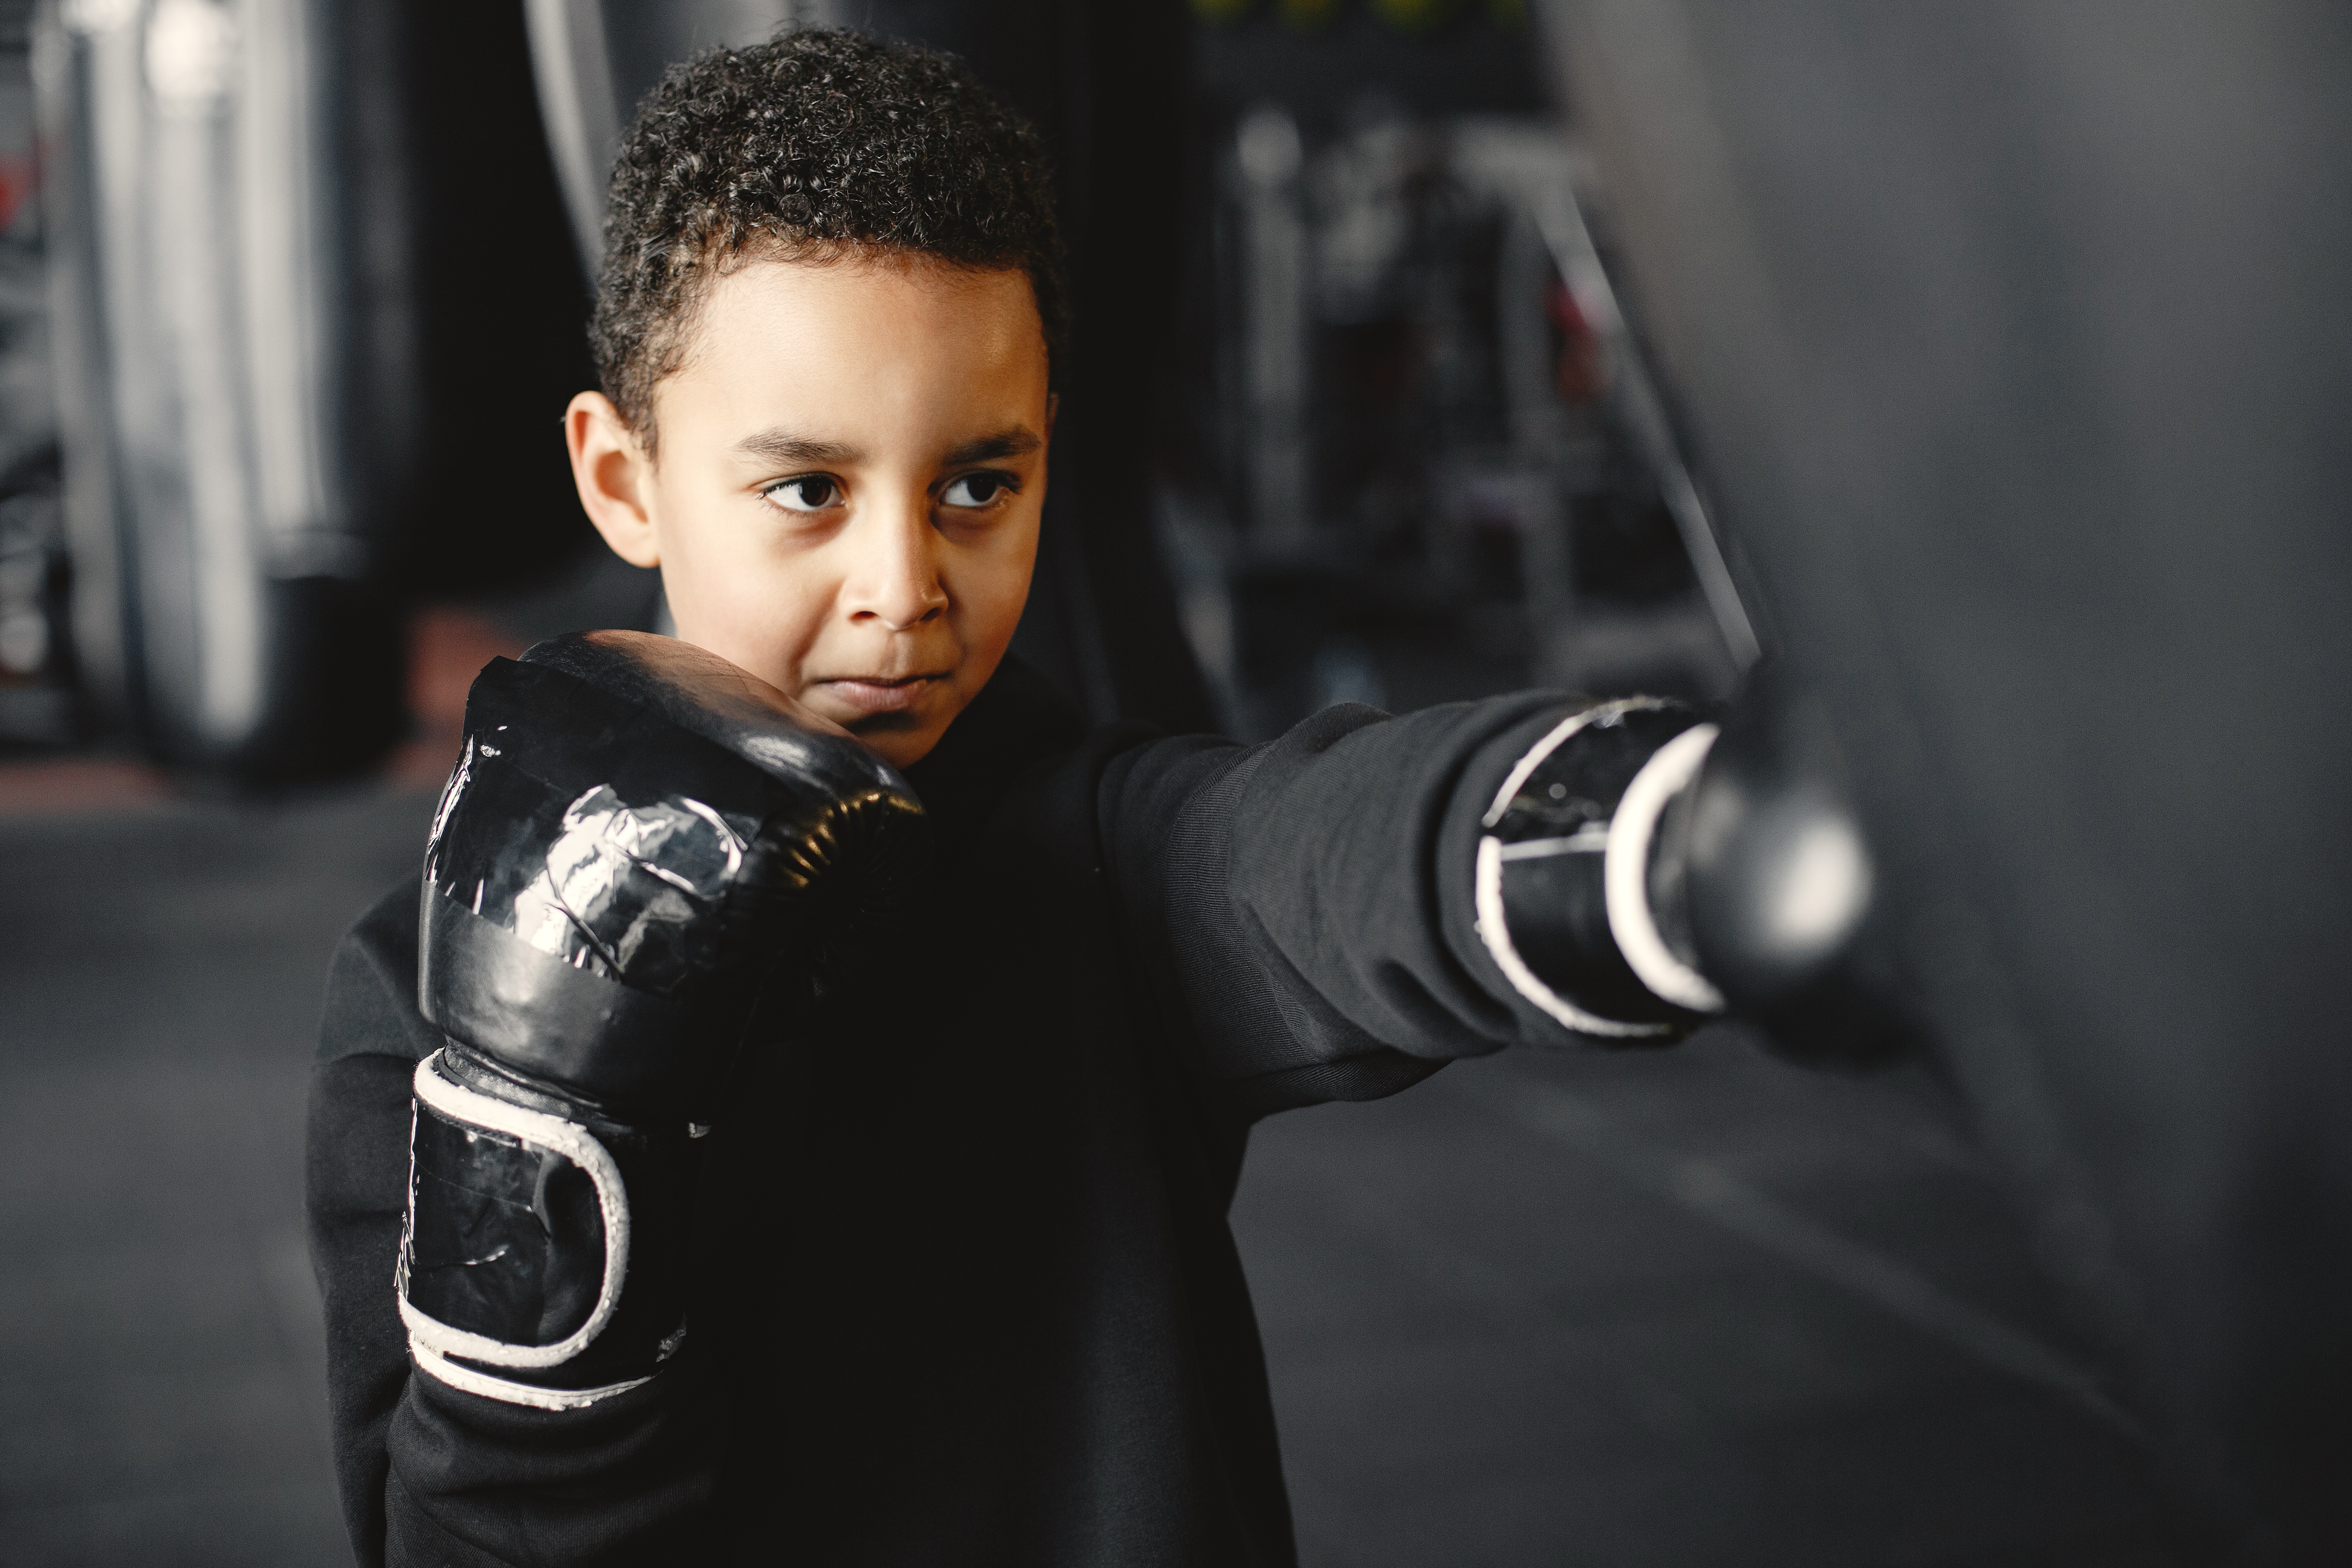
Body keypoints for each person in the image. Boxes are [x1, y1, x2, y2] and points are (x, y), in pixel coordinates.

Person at [307, 28, 1786, 1566]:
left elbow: (1315, 855)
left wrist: (1668, 841)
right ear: (624, 480)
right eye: (807, 489)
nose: (904, 591)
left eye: (976, 486)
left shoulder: (1094, 854)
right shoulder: (413, 994)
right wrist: (533, 1163)